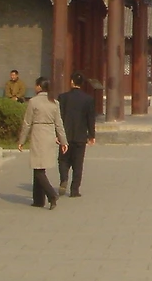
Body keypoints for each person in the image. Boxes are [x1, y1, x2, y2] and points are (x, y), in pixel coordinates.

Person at [17, 77, 67, 210]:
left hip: (38, 134)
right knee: (39, 167)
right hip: (49, 135)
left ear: (39, 86)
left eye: (36, 85)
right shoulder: (54, 102)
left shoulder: (33, 102)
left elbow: (27, 123)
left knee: (38, 169)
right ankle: (38, 200)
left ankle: (51, 195)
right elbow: (59, 123)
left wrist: (21, 140)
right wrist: (63, 141)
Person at [57, 72, 96, 197]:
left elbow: (59, 117)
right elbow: (90, 119)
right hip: (80, 136)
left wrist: (57, 134)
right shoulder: (88, 99)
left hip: (65, 135)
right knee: (78, 164)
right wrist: (91, 135)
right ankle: (74, 190)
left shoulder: (63, 97)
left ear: (72, 82)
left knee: (63, 160)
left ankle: (64, 179)